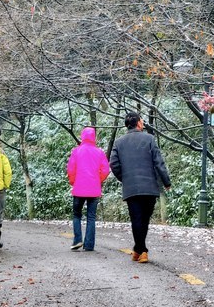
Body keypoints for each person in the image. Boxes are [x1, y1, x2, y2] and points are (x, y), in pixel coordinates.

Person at [109, 112, 171, 264]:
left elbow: (114, 164)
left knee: (136, 219)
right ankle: (142, 251)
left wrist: (125, 178)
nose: (143, 123)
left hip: (131, 188)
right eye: (142, 121)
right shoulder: (149, 139)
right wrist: (166, 181)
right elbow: (159, 162)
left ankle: (138, 249)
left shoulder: (119, 143)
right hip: (149, 187)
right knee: (144, 219)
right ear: (137, 123)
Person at [66, 126, 110, 252]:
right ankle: (89, 245)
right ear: (94, 137)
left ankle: (77, 240)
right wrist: (97, 180)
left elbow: (71, 169)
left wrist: (73, 182)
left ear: (82, 136)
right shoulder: (99, 152)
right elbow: (106, 170)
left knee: (77, 215)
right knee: (91, 217)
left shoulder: (76, 151)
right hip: (94, 189)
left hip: (79, 188)